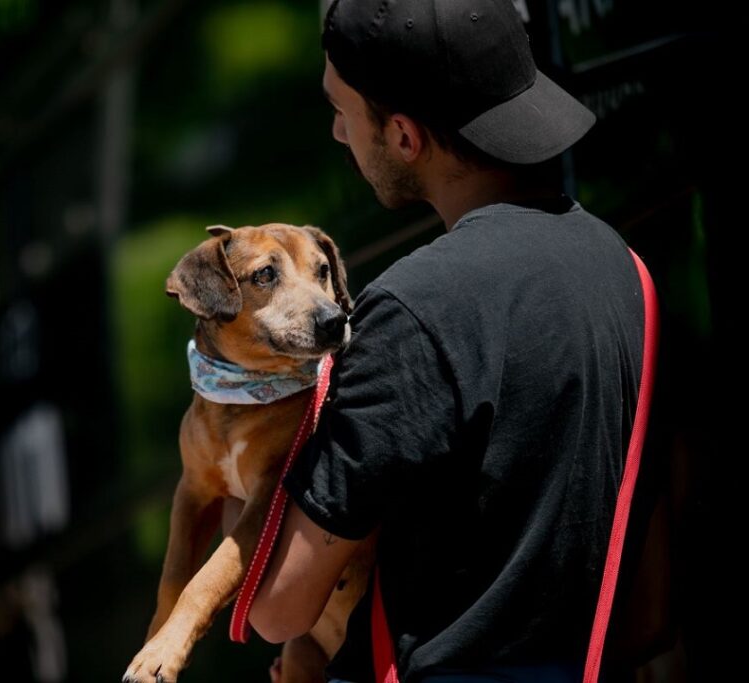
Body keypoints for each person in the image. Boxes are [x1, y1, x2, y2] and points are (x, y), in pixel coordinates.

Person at [247, 1, 646, 682]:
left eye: (343, 110)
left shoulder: (411, 313)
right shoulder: (624, 267)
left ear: (404, 136)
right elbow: (653, 602)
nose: (339, 132)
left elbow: (278, 608)